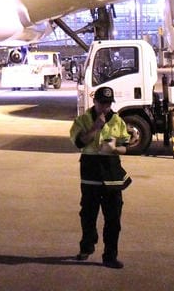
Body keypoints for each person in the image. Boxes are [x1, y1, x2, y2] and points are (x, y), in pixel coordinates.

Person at [69, 86, 131, 269]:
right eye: (102, 103)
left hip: (112, 174)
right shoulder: (82, 120)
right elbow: (79, 142)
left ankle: (110, 256)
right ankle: (87, 245)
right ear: (94, 101)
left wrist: (114, 149)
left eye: (108, 104)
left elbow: (126, 147)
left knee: (113, 219)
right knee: (87, 214)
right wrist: (96, 127)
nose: (105, 107)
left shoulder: (118, 121)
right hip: (90, 173)